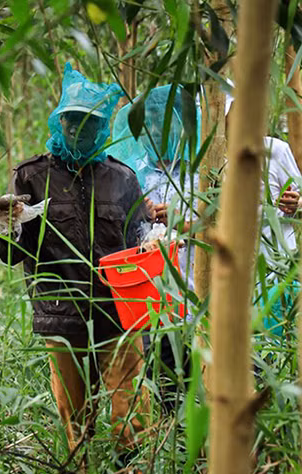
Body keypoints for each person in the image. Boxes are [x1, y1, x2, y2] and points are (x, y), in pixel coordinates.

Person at [0, 64, 152, 470]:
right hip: (61, 319)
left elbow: (137, 242)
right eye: (73, 119)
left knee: (129, 414)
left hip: (119, 316)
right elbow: (13, 254)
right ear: (60, 120)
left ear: (103, 126)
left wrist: (152, 240)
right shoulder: (31, 177)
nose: (81, 129)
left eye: (90, 122)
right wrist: (4, 226)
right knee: (75, 422)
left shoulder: (122, 178)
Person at [110, 85, 201, 410]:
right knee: (165, 380)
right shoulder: (134, 174)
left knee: (203, 375)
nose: (157, 132)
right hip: (153, 294)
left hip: (200, 288)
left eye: (165, 124)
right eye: (149, 123)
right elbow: (121, 230)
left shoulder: (203, 172)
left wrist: (181, 222)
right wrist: (140, 213)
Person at [225, 92, 302, 337]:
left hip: (278, 272)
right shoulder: (213, 159)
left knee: (280, 349)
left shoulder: (275, 150)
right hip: (234, 279)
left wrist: (297, 205)